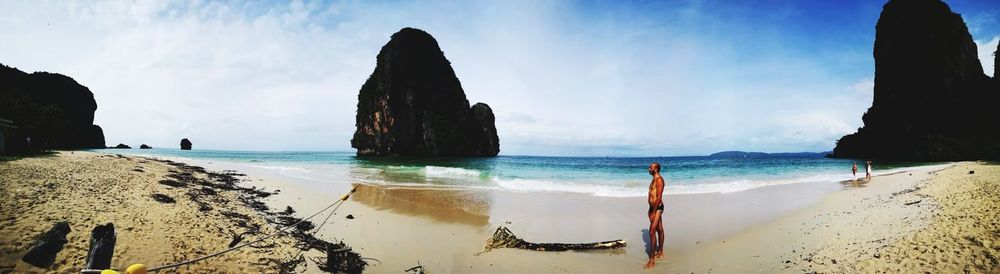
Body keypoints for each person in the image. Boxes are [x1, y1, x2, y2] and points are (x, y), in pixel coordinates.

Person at [645, 162, 665, 269]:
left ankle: (652, 260)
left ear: (656, 169)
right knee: (659, 229)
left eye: (650, 167)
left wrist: (653, 211)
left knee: (651, 232)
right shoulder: (653, 180)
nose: (648, 169)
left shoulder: (659, 180)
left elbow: (658, 198)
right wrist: (649, 209)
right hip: (653, 208)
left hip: (658, 208)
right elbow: (651, 197)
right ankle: (661, 251)